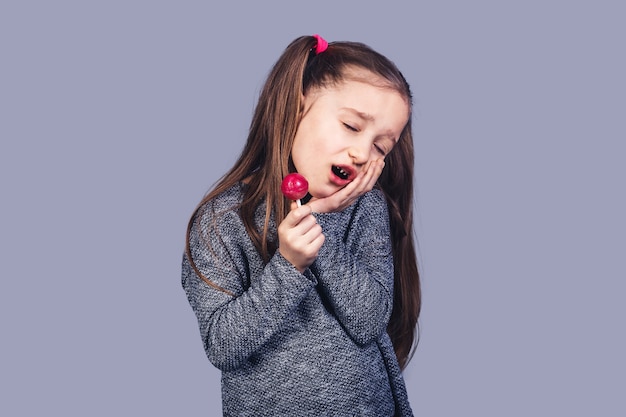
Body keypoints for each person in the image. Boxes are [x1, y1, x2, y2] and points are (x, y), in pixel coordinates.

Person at [182, 34, 421, 417]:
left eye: (381, 147)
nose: (362, 153)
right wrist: (289, 265)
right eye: (351, 125)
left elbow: (369, 321)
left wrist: (320, 218)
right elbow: (224, 346)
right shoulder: (221, 220)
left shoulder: (366, 208)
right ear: (297, 107)